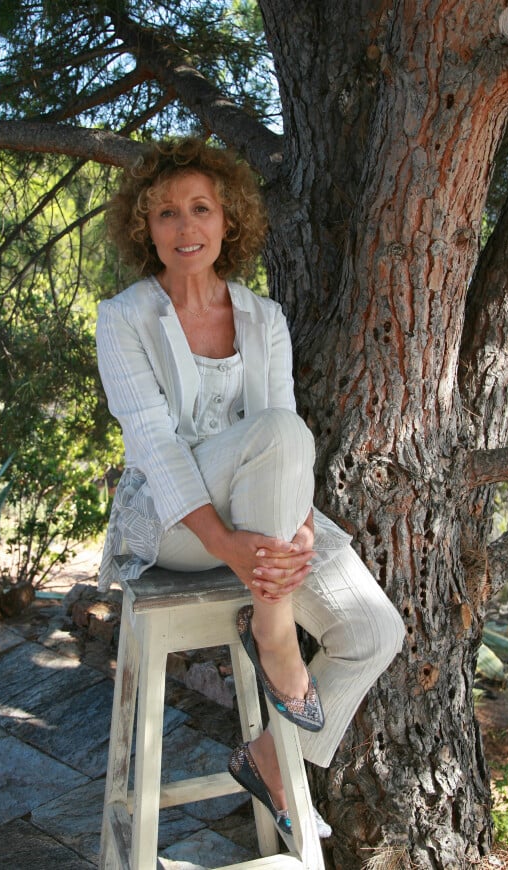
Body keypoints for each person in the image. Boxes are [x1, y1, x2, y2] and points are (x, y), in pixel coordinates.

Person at [96, 137, 405, 839]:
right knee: (275, 432)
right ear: (144, 227)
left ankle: (272, 754)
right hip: (180, 524)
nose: (185, 227)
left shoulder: (265, 318)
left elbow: (285, 434)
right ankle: (274, 632)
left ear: (228, 220)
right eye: (166, 213)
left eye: (201, 209)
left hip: (266, 513)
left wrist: (296, 530)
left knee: (374, 628)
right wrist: (230, 545)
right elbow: (155, 444)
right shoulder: (124, 318)